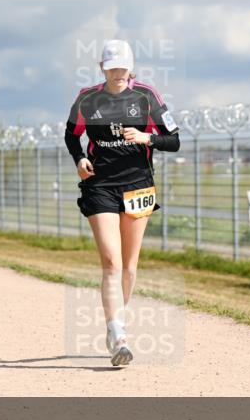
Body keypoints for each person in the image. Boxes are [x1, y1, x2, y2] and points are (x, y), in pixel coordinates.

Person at [64, 39, 180, 366]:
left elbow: (174, 140)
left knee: (129, 267)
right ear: (102, 68)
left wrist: (147, 137)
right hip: (100, 184)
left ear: (131, 68)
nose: (117, 73)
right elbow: (72, 134)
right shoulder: (88, 98)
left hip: (138, 184)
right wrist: (79, 159)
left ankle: (118, 321)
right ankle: (118, 335)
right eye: (111, 67)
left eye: (122, 68)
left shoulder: (147, 96)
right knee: (112, 263)